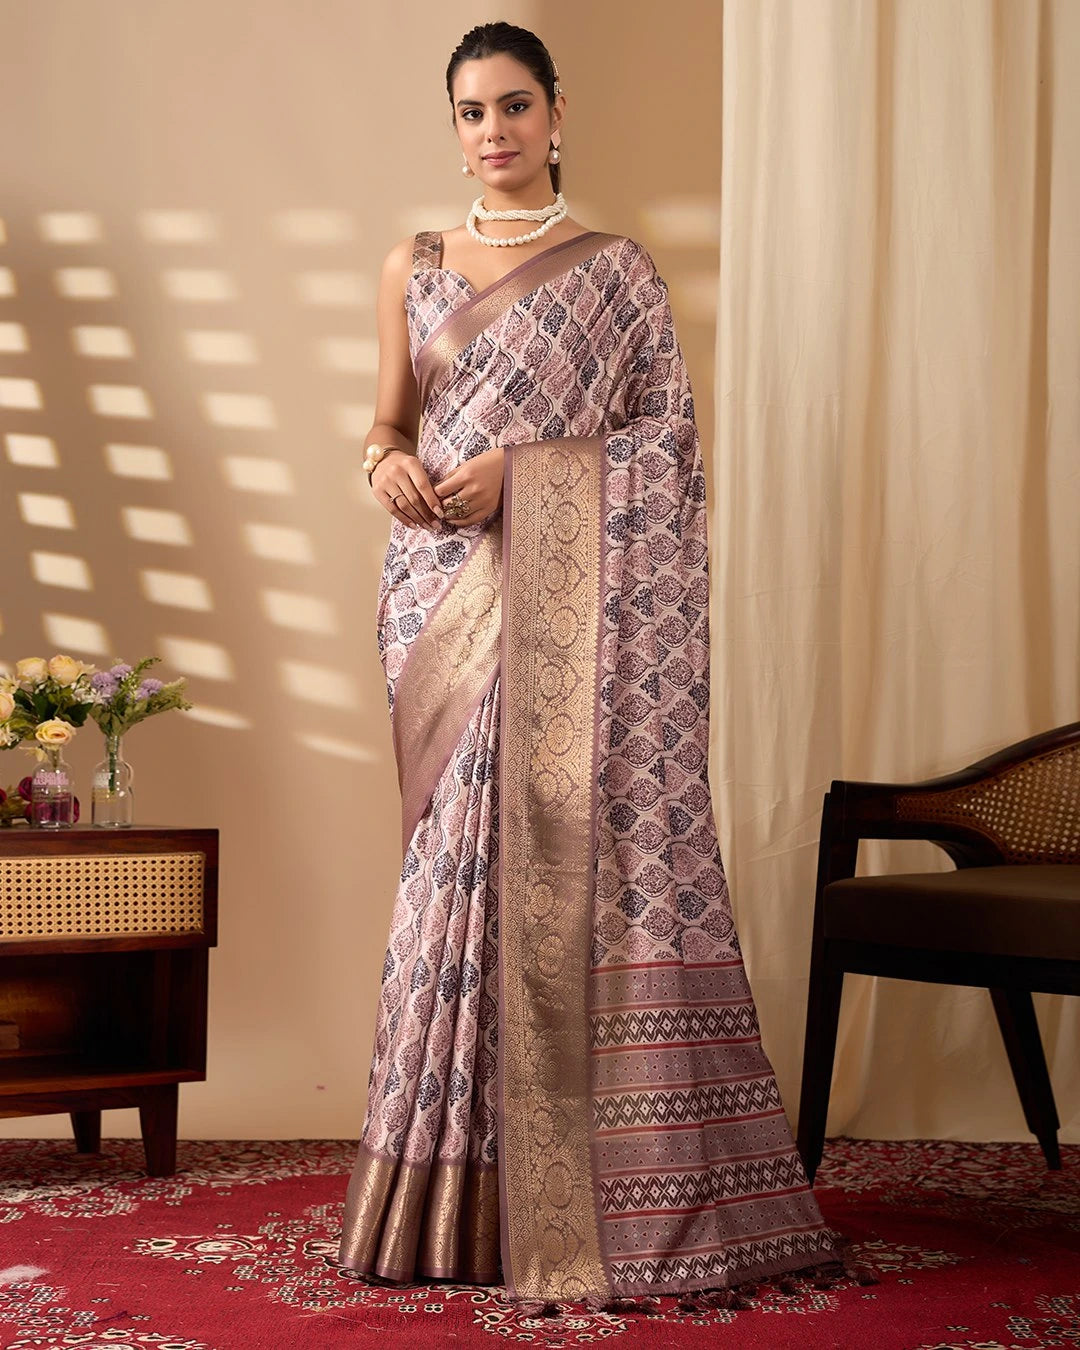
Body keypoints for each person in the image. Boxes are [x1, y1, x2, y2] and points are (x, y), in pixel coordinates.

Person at [338, 20, 847, 1307]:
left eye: (515, 106)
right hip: (442, 596)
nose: (493, 131)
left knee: (583, 858)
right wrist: (386, 464)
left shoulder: (617, 273)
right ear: (451, 125)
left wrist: (529, 473)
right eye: (470, 112)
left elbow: (666, 455)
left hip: (578, 616)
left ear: (557, 115)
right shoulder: (411, 264)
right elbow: (387, 419)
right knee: (457, 873)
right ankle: (451, 1204)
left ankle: (619, 1194)